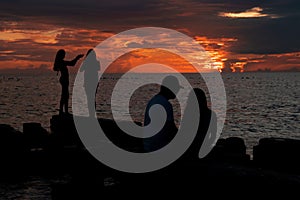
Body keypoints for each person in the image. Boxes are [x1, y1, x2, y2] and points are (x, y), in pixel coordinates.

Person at [143, 75, 183, 152]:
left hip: (148, 145)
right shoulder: (165, 104)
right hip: (158, 147)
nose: (177, 90)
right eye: (176, 88)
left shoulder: (154, 100)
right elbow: (171, 129)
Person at [181, 88, 217, 161]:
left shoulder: (188, 114)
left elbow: (183, 132)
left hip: (190, 147)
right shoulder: (211, 114)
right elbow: (213, 135)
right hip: (203, 145)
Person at [54, 49, 84, 115]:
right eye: (64, 54)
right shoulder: (61, 62)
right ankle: (63, 111)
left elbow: (71, 63)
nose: (64, 55)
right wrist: (77, 58)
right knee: (65, 95)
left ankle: (63, 111)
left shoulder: (60, 62)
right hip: (64, 79)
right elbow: (71, 63)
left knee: (65, 95)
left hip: (64, 79)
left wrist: (77, 58)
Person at [80, 49, 100, 117]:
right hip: (94, 82)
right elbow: (97, 70)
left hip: (89, 82)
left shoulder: (86, 62)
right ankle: (92, 114)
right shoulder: (96, 62)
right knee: (92, 98)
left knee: (89, 99)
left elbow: (81, 70)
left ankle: (91, 114)